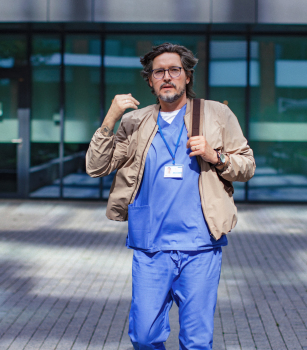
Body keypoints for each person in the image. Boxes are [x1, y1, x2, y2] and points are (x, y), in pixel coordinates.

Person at [86, 43, 255, 350]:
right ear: (149, 80)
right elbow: (97, 167)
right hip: (151, 246)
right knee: (145, 336)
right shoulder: (135, 121)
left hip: (200, 245)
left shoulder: (217, 114)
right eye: (158, 71)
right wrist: (110, 118)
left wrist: (215, 156)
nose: (167, 77)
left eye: (174, 70)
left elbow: (247, 166)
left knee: (196, 341)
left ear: (187, 76)